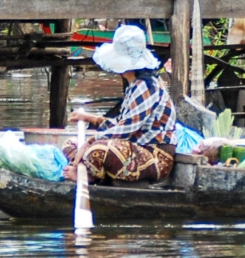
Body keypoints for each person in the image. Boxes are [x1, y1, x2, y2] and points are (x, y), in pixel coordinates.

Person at [64, 23, 177, 183]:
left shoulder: (146, 86)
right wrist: (91, 118)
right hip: (133, 148)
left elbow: (126, 129)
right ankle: (88, 169)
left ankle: (90, 177)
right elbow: (121, 124)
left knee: (96, 150)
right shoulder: (135, 85)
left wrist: (90, 142)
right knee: (70, 144)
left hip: (154, 156)